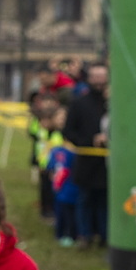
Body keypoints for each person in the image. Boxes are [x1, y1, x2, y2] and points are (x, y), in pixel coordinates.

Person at [63, 62, 109, 248]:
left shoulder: (113, 104)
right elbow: (69, 132)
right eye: (95, 77)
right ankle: (84, 235)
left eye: (102, 77)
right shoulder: (79, 103)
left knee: (104, 201)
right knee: (84, 199)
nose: (99, 81)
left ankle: (105, 235)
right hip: (85, 162)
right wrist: (89, 141)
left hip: (107, 163)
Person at [46, 108, 80, 247]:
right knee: (64, 213)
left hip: (68, 189)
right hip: (63, 190)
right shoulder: (60, 151)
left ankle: (66, 234)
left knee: (69, 213)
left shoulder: (74, 153)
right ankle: (63, 234)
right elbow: (52, 168)